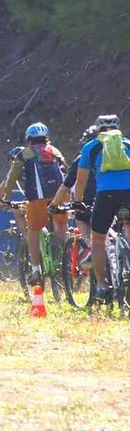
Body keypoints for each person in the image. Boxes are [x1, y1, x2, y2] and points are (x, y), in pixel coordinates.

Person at [0, 123, 67, 287]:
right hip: (60, 196)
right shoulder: (55, 151)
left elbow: (12, 177)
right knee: (61, 226)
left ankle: (36, 270)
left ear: (28, 139)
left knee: (33, 231)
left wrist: (6, 197)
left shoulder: (25, 153)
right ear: (46, 138)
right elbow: (66, 171)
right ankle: (63, 258)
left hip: (37, 197)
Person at [74, 114, 130, 303]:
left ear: (98, 130)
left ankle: (102, 286)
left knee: (98, 240)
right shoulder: (127, 144)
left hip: (106, 195)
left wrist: (78, 200)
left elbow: (80, 181)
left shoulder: (91, 147)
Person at [49, 126, 98, 240]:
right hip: (121, 198)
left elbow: (66, 185)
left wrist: (54, 204)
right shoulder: (115, 155)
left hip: (90, 202)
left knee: (80, 219)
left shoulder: (82, 159)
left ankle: (91, 246)